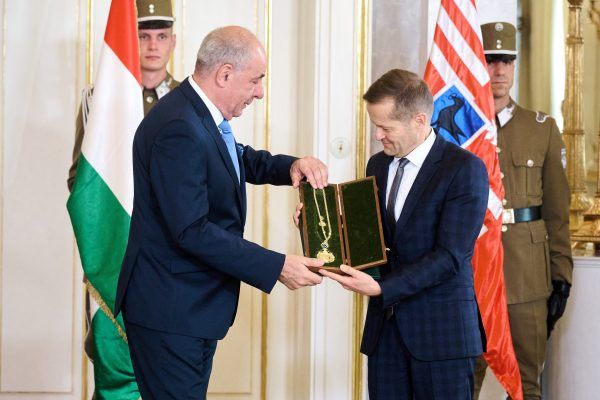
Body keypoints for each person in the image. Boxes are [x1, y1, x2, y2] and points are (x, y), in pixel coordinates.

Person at [113, 26, 327, 399]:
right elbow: (192, 230)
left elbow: (232, 157)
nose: (260, 92)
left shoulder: (194, 113)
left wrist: (289, 166)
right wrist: (276, 265)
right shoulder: (179, 126)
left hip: (188, 309)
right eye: (256, 80)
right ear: (225, 74)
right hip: (171, 312)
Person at [320, 69, 489, 399]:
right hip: (385, 335)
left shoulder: (464, 169)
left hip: (441, 337)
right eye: (375, 125)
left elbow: (450, 256)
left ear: (419, 121)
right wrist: (317, 222)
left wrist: (383, 287)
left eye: (386, 127)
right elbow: (369, 235)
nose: (378, 135)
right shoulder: (377, 165)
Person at [473, 22, 573, 400]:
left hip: (527, 278)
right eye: (491, 60)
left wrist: (561, 275)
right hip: (472, 275)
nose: (499, 70)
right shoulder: (459, 127)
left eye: (507, 61)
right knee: (462, 382)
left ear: (515, 66)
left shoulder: (541, 128)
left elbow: (557, 213)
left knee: (527, 384)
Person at [68, 0, 179, 191]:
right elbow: (80, 179)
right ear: (130, 39)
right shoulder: (99, 98)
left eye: (161, 36)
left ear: (173, 42)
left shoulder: (188, 99)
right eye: (143, 36)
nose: (153, 46)